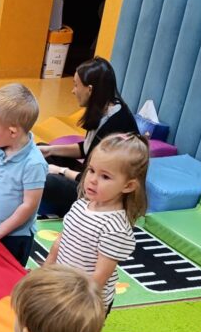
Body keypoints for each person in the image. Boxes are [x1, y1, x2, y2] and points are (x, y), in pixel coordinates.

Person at [43, 134, 149, 310]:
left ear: (128, 186)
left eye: (105, 177)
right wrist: (44, 273)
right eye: (91, 170)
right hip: (61, 287)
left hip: (84, 301)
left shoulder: (115, 228)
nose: (92, 179)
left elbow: (100, 276)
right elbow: (60, 242)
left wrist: (75, 303)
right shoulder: (80, 205)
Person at [38, 57, 138, 218]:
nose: (73, 91)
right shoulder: (104, 110)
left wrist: (61, 171)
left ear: (90, 89)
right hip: (91, 175)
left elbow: (101, 177)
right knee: (41, 150)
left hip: (101, 190)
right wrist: (50, 150)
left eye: (76, 85)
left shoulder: (117, 123)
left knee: (49, 181)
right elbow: (87, 149)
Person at [0, 84, 48, 265]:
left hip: (15, 236)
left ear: (12, 132)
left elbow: (28, 205)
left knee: (9, 276)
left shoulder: (33, 163)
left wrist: (1, 230)